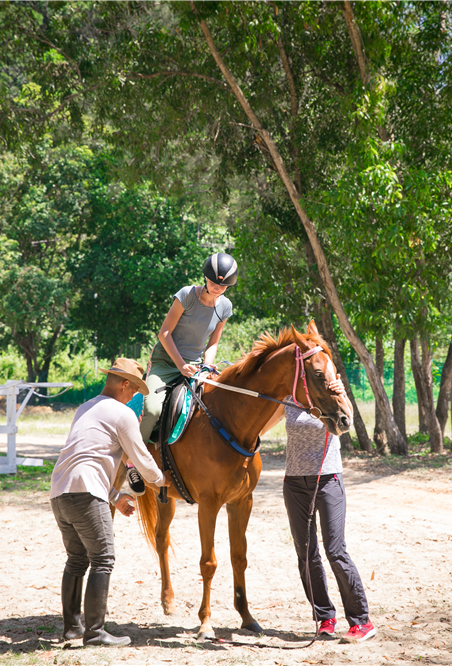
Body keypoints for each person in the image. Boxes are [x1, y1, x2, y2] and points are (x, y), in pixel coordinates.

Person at [49, 357, 170, 646]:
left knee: (77, 560)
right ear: (124, 384)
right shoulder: (121, 413)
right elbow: (139, 457)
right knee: (102, 559)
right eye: (133, 391)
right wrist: (163, 480)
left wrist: (115, 497)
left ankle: (72, 628)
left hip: (60, 491)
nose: (133, 397)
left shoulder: (86, 407)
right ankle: (95, 632)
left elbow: (87, 455)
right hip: (86, 492)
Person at [261, 374, 377, 644]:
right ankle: (325, 617)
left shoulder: (330, 397)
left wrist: (342, 393)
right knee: (306, 552)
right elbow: (260, 428)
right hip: (294, 483)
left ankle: (362, 621)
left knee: (335, 551)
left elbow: (346, 423)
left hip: (327, 480)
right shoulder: (288, 400)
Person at [138, 252, 237, 444]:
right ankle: (132, 461)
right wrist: (180, 365)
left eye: (223, 286)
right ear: (206, 278)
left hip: (195, 367)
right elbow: (164, 333)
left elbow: (213, 343)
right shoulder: (187, 295)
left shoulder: (225, 307)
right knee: (153, 411)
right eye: (213, 284)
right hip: (166, 362)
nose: (217, 289)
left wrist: (207, 366)